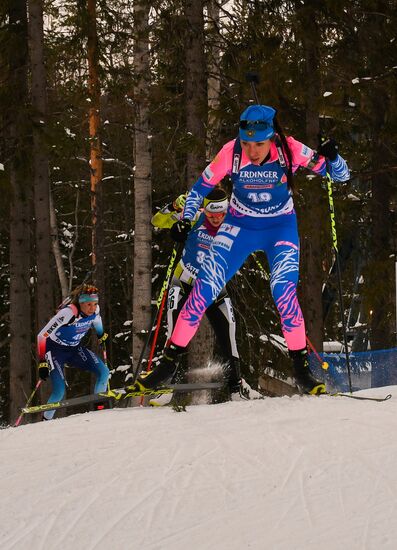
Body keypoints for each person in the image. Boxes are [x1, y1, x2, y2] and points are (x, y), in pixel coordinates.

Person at [128, 104, 350, 396]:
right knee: (203, 289)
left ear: (272, 138)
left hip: (279, 228)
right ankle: (167, 366)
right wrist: (184, 221)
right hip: (239, 227)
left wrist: (334, 157)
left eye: (259, 144)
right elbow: (198, 191)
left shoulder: (290, 149)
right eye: (247, 143)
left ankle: (301, 370)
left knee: (282, 291)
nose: (252, 151)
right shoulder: (231, 153)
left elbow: (341, 176)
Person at [148, 187, 243, 404]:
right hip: (184, 283)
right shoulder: (195, 217)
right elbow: (157, 221)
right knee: (174, 334)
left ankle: (236, 388)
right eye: (211, 214)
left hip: (213, 288)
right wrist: (174, 207)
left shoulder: (235, 225)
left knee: (229, 334)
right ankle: (165, 387)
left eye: (220, 214)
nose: (216, 219)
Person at [37, 284, 110, 419]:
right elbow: (41, 336)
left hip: (74, 349)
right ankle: (45, 420)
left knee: (104, 372)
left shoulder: (95, 310)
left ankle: (99, 411)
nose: (92, 308)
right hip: (55, 350)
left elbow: (97, 321)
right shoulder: (68, 313)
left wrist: (101, 335)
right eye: (88, 304)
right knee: (59, 391)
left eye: (95, 304)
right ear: (81, 303)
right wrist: (42, 361)